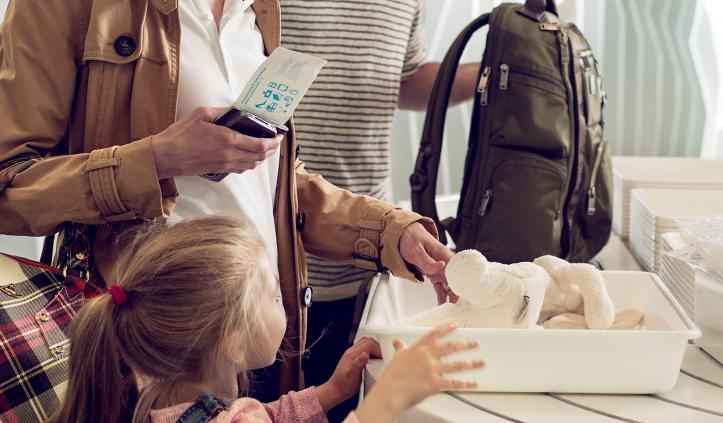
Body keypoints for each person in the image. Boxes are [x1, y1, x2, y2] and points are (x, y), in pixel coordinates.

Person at [0, 0, 453, 397]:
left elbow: (270, 182)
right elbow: (8, 184)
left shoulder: (257, 8)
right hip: (149, 362)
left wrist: (392, 231)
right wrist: (157, 160)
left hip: (255, 339)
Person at [47, 217, 483, 423]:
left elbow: (264, 418)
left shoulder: (156, 394)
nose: (286, 303)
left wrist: (330, 393)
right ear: (233, 344)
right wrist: (390, 397)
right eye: (274, 295)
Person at [279, 1, 478, 418]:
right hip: (276, 259)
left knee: (341, 401)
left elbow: (404, 80)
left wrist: (489, 73)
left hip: (371, 252)